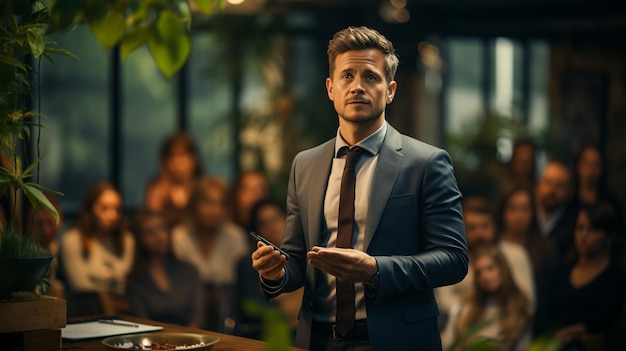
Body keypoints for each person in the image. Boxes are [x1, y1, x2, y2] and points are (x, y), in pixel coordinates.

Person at [251, 26, 469, 350]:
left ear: (390, 89)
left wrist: (375, 269)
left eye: (370, 77)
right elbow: (297, 259)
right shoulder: (305, 165)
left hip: (396, 339)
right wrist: (275, 274)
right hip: (319, 338)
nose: (357, 87)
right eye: (347, 76)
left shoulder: (426, 163)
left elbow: (454, 259)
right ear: (330, 88)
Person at [537, 201, 626, 350]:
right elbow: (544, 314)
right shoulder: (560, 272)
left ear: (608, 236)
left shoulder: (615, 277)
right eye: (580, 228)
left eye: (593, 229)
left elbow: (605, 320)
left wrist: (577, 332)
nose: (583, 235)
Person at [436, 197, 536, 317]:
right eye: (472, 228)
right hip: (465, 329)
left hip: (510, 326)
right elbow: (444, 303)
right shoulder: (452, 260)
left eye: (485, 226)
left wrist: (466, 300)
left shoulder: (516, 254)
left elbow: (527, 303)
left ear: (495, 226)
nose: (479, 233)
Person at [171, 176, 249, 332]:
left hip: (228, 315)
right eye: (208, 202)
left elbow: (241, 287)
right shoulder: (179, 236)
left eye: (221, 204)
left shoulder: (235, 236)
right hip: (186, 315)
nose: (215, 210)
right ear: (194, 204)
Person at [59, 182, 134, 316]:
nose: (112, 215)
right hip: (84, 312)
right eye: (104, 208)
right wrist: (110, 275)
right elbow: (80, 286)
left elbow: (124, 284)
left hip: (122, 310)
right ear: (90, 208)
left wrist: (103, 275)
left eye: (117, 209)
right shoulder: (73, 240)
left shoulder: (126, 240)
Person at [441, 244, 531, 350]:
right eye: (479, 273)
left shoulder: (519, 307)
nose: (485, 277)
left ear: (502, 269)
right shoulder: (466, 308)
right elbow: (449, 345)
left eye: (490, 268)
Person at [235, 198, 303, 339]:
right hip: (266, 334)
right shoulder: (248, 264)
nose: (272, 227)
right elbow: (251, 305)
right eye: (264, 223)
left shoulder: (302, 258)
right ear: (257, 230)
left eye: (275, 218)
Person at [126, 209, 204, 327]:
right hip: (155, 341)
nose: (159, 236)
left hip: (192, 338)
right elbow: (143, 322)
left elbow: (197, 316)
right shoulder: (136, 281)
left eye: (162, 228)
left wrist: (187, 340)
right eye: (150, 232)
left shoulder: (189, 271)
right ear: (140, 239)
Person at [145, 130, 203, 228]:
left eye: (183, 155)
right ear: (165, 161)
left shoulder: (203, 188)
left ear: (194, 159)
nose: (178, 162)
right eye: (173, 156)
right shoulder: (157, 189)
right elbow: (152, 223)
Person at [536, 161, 578, 262]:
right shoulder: (527, 216)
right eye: (547, 182)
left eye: (559, 185)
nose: (551, 190)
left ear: (570, 191)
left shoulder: (576, 223)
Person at [25, 194, 64, 297]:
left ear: (60, 222)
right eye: (39, 224)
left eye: (50, 223)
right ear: (29, 224)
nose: (46, 231)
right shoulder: (24, 256)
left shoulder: (62, 250)